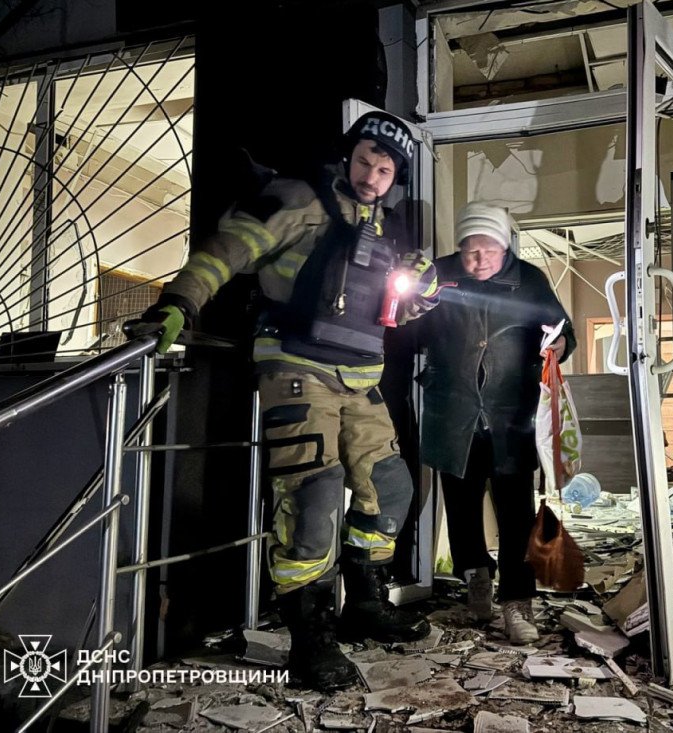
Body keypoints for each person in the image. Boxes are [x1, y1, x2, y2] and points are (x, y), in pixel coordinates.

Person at [128, 110, 440, 690]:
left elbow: (396, 307)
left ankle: (364, 605)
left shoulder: (389, 227)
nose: (373, 174)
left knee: (392, 488)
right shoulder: (301, 198)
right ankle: (311, 640)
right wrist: (180, 302)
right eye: (367, 160)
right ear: (349, 156)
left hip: (361, 375)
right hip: (297, 366)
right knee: (313, 496)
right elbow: (229, 249)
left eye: (386, 167)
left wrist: (422, 292)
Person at [416, 202, 575, 644]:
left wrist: (561, 342)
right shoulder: (438, 275)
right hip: (453, 414)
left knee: (515, 514)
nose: (479, 260)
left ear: (504, 247)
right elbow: (406, 335)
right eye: (470, 250)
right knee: (462, 509)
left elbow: (564, 329)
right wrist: (412, 306)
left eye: (488, 250)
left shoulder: (529, 280)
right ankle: (477, 579)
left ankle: (517, 602)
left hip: (511, 417)